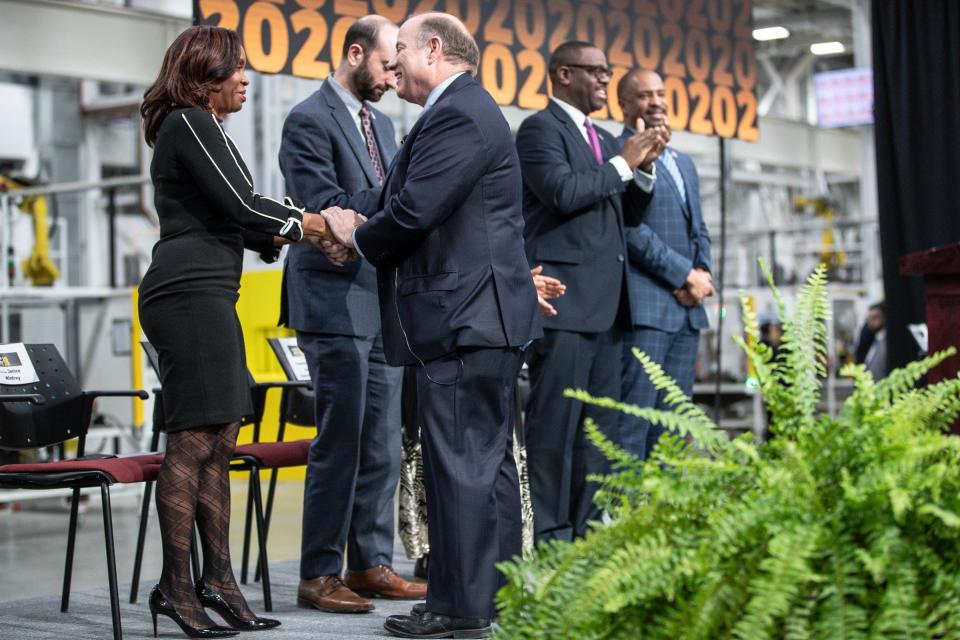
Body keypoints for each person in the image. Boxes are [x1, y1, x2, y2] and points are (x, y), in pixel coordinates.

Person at [322, 12, 542, 638]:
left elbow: (412, 210)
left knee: (460, 468)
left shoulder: (459, 112)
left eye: (400, 56)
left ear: (435, 49)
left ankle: (459, 608)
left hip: (465, 319)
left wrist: (355, 240)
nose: (390, 70)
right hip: (481, 319)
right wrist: (337, 215)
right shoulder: (461, 111)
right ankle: (488, 598)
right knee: (487, 464)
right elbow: (394, 195)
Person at [138, 25, 342, 638]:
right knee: (194, 438)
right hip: (186, 293)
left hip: (207, 292)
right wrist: (316, 225)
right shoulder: (189, 123)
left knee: (220, 435)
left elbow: (247, 221)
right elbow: (246, 208)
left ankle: (218, 580)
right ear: (206, 73)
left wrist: (303, 234)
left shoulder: (205, 129)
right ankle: (177, 586)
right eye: (238, 69)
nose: (248, 79)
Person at [278, 15, 427, 613]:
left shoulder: (385, 126)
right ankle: (318, 573)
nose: (395, 77)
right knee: (341, 438)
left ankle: (370, 563)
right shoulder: (307, 119)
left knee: (383, 442)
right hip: (332, 297)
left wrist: (380, 218)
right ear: (354, 52)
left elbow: (376, 207)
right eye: (389, 65)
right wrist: (380, 215)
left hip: (377, 294)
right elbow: (324, 206)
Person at [516, 41, 666, 543]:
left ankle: (585, 535)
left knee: (597, 435)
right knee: (555, 429)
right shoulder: (539, 130)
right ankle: (550, 538)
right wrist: (625, 162)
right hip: (563, 302)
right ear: (562, 74)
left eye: (608, 71)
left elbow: (625, 214)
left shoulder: (601, 137)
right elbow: (561, 193)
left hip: (607, 308)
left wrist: (642, 170)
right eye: (595, 72)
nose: (605, 80)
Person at [616, 68, 714, 460]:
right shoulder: (617, 153)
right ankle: (623, 515)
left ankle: (664, 516)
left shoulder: (683, 162)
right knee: (634, 422)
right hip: (648, 309)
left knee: (676, 425)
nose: (655, 101)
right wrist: (683, 274)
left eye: (660, 93)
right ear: (623, 104)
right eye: (644, 95)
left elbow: (698, 226)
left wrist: (703, 273)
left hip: (688, 311)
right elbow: (629, 228)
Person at [855, 301, 887, 379]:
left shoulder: (887, 342)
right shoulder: (870, 339)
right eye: (869, 318)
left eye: (875, 317)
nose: (872, 322)